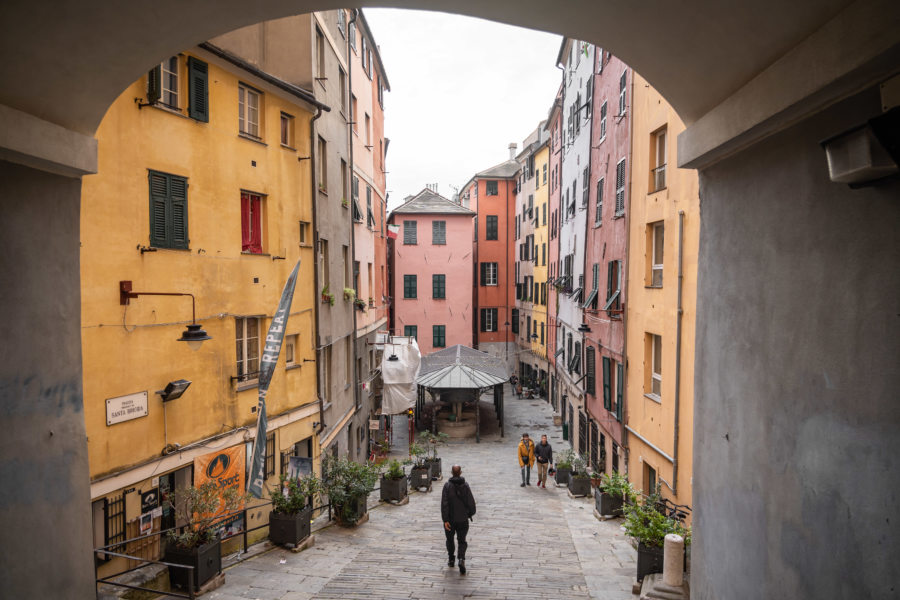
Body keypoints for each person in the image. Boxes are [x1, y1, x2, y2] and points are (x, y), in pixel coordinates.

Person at [442, 464, 476, 575]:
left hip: (450, 520)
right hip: (462, 519)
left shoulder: (447, 486)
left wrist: (445, 520)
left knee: (450, 540)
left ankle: (451, 559)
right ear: (460, 472)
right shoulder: (465, 486)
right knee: (462, 541)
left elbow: (444, 504)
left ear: (451, 473)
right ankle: (461, 559)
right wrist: (469, 514)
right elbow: (471, 503)